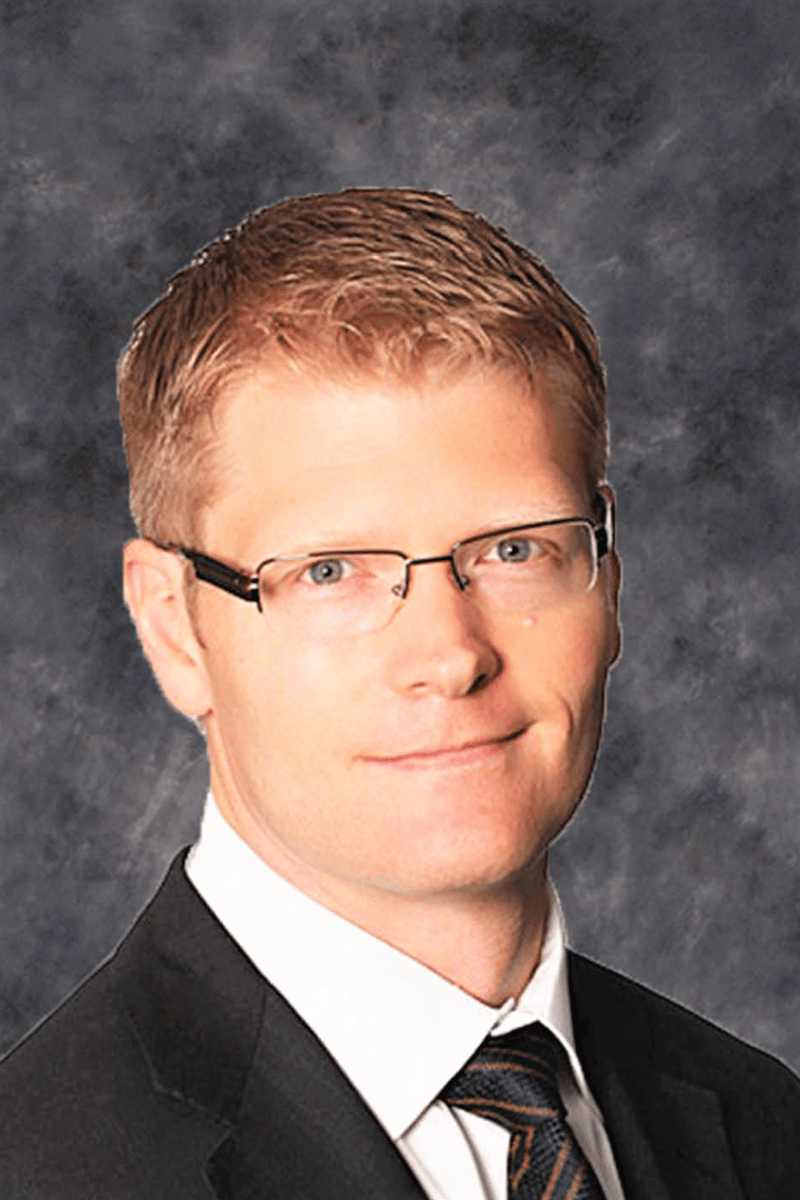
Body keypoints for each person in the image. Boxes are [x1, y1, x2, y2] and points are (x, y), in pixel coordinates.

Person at [0, 188, 797, 1200]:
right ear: (174, 626)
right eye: (331, 571)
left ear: (606, 577)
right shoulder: (38, 1167)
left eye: (514, 550)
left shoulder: (762, 1127)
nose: (450, 655)